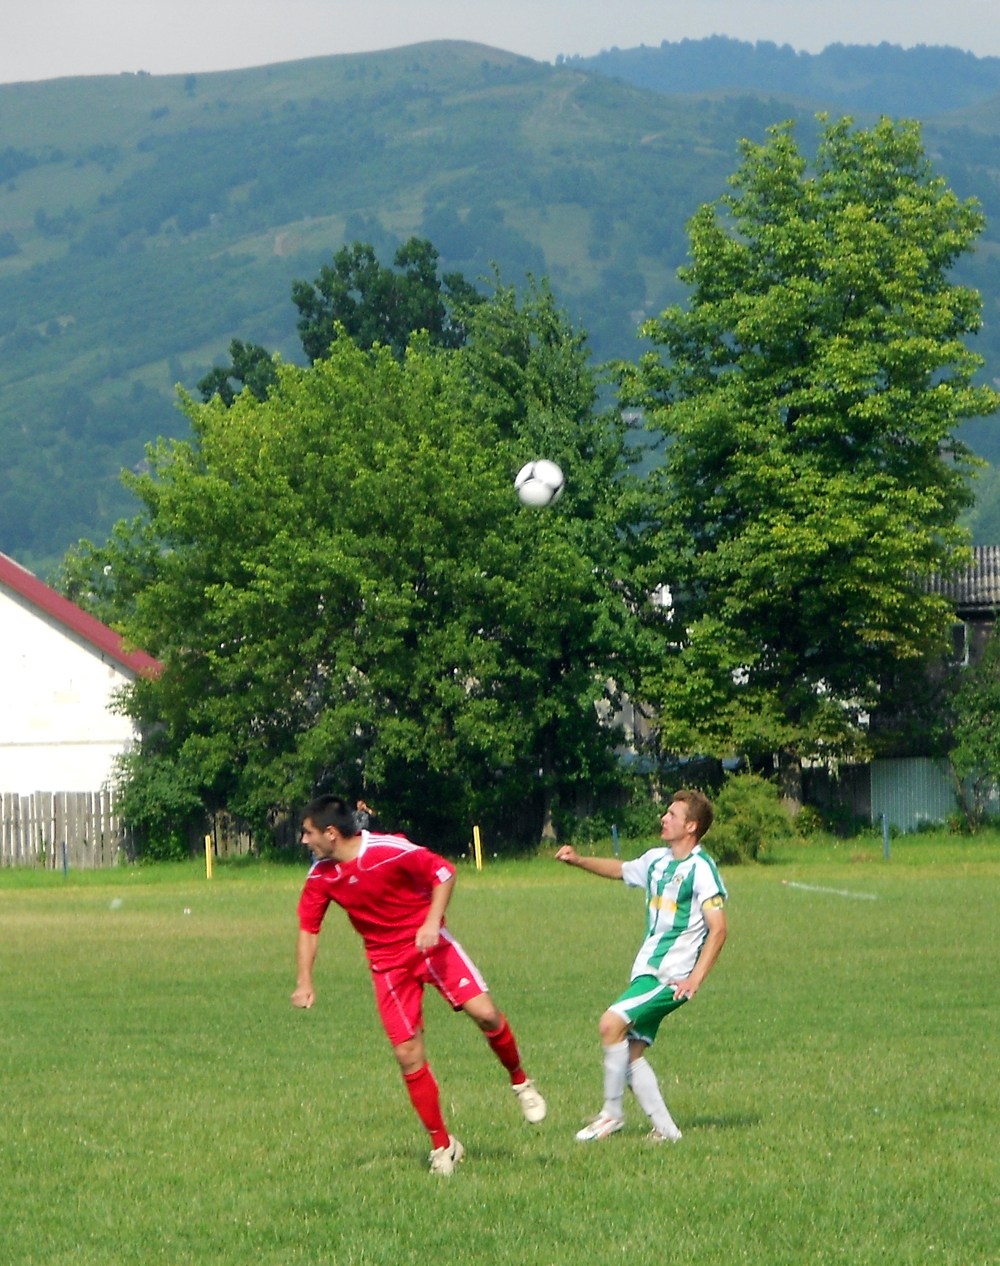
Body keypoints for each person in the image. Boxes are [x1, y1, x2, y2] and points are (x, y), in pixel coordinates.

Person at [291, 795, 546, 1175]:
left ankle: (520, 1082)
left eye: (307, 833)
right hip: (387, 966)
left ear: (330, 833)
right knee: (408, 1055)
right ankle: (443, 1146)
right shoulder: (321, 876)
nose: (303, 840)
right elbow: (309, 928)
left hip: (431, 946)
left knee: (486, 1014)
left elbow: (443, 873)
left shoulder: (388, 849)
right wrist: (305, 981)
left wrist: (431, 922)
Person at [555, 789, 727, 1143]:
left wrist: (696, 977)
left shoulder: (701, 869)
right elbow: (620, 870)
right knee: (630, 1053)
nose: (664, 818)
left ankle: (611, 1115)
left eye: (673, 815)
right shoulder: (657, 860)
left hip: (670, 977)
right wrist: (578, 860)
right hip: (647, 972)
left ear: (691, 826)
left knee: (609, 1024)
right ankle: (667, 1132)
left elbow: (719, 929)